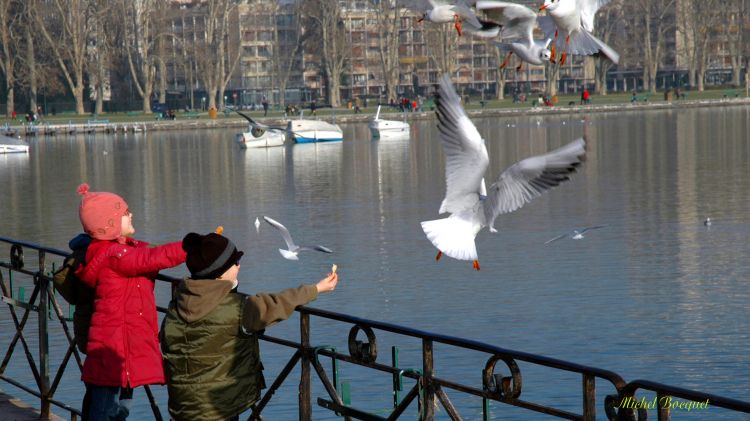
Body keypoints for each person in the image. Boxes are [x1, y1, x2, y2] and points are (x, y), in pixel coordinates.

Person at [160, 232, 339, 421]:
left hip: (182, 406)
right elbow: (276, 304)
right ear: (220, 272)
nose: (239, 265)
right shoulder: (238, 308)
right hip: (219, 406)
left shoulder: (177, 306)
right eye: (235, 262)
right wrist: (316, 289)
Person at [73, 183, 187, 420]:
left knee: (115, 406)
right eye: (125, 212)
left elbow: (143, 258)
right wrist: (190, 247)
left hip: (118, 344)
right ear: (110, 224)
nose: (131, 214)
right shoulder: (114, 255)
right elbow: (150, 258)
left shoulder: (111, 251)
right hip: (114, 347)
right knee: (106, 410)